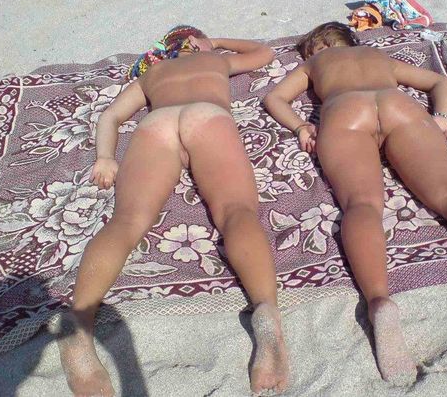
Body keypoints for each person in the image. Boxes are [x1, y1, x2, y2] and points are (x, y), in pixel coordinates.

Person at [263, 22, 447, 383]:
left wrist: (300, 127)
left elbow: (274, 98)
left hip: (345, 111)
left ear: (320, 46)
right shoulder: (377, 56)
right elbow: (440, 83)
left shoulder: (315, 64)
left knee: (361, 205)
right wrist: (441, 117)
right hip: (399, 106)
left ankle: (379, 302)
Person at [58, 25, 289, 396]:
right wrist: (217, 43)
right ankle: (266, 314)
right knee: (236, 212)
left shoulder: (153, 74)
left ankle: (80, 323)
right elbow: (264, 53)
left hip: (158, 122)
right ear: (198, 44)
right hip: (208, 116)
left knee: (127, 221)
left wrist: (105, 158)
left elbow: (111, 117)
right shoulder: (215, 61)